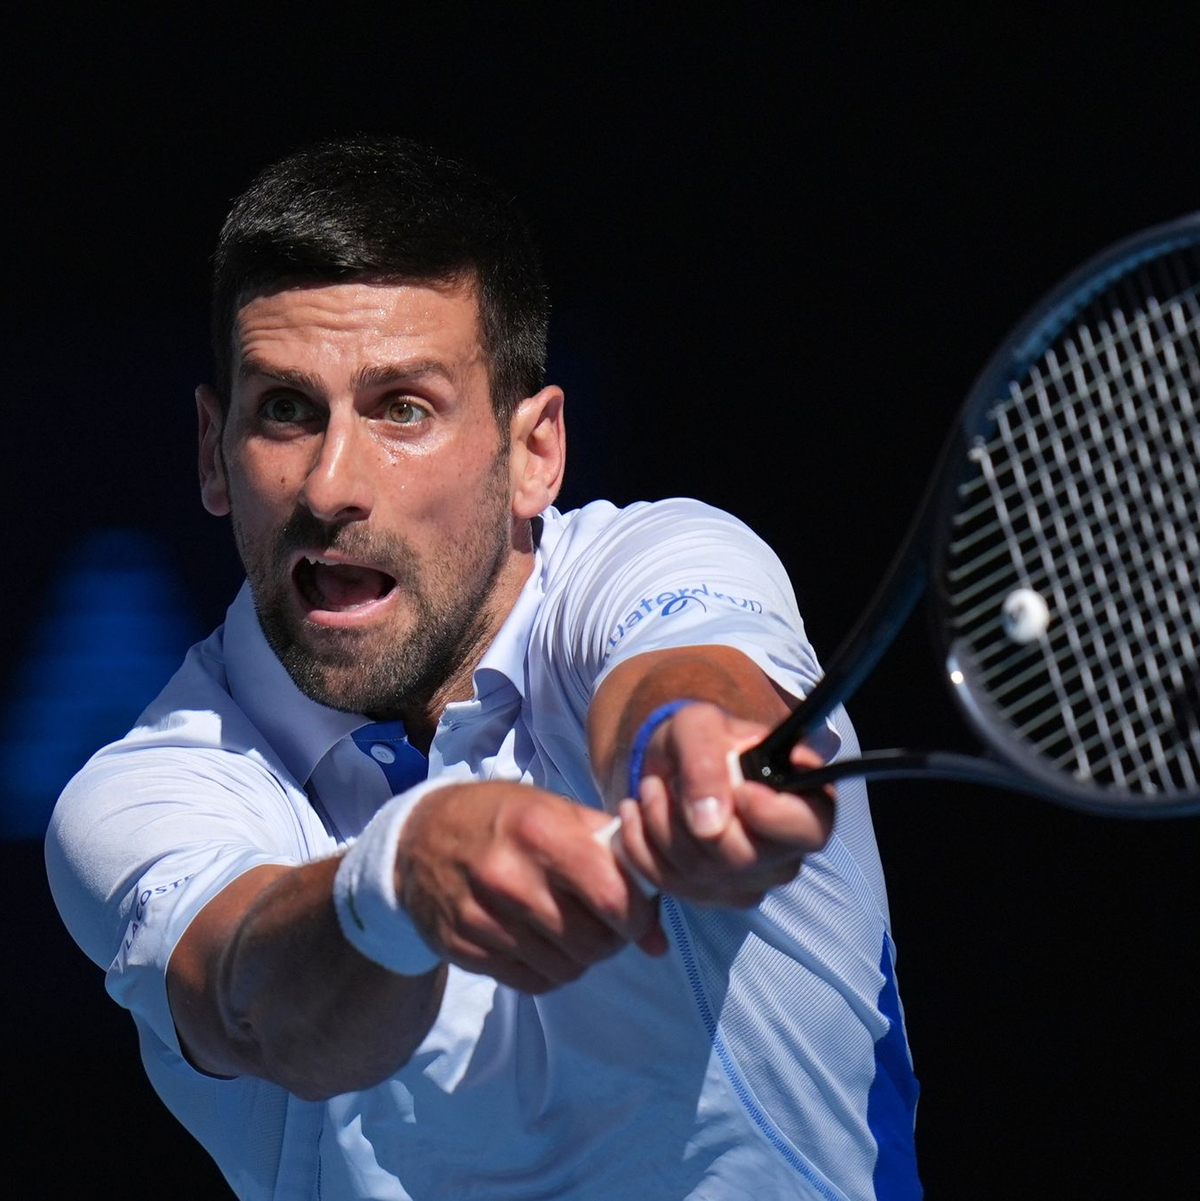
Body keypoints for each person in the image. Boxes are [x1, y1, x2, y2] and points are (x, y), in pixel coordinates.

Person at [45, 135, 921, 1199]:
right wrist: (398, 880)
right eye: (285, 409)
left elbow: (687, 681)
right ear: (213, 449)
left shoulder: (664, 559)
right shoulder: (141, 788)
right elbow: (253, 995)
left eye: (402, 408)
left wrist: (691, 756)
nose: (331, 485)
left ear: (534, 452)